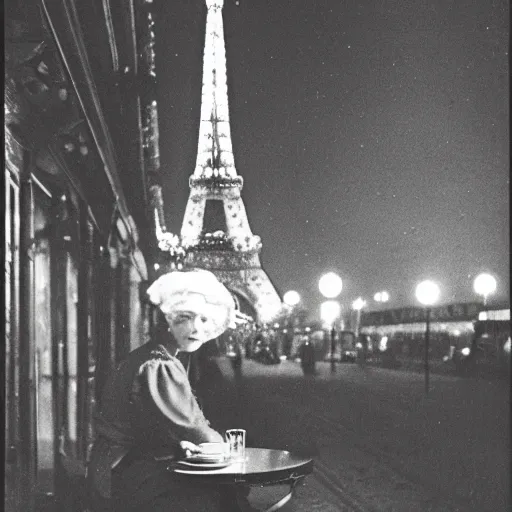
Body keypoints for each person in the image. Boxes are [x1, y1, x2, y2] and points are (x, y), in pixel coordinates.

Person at [87, 269, 247, 512]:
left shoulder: (153, 357)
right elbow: (194, 429)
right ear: (167, 320)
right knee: (220, 494)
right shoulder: (159, 365)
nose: (195, 328)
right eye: (184, 317)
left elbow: (151, 424)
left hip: (116, 467)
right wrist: (225, 448)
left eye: (204, 320)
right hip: (126, 474)